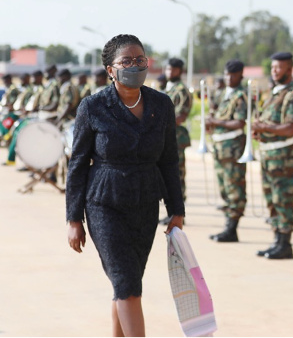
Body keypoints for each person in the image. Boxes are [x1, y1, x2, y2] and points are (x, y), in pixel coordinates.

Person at [66, 34, 185, 336]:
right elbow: (78, 164)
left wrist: (177, 210)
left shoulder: (162, 104)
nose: (135, 65)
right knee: (127, 285)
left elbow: (169, 161)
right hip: (105, 204)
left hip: (145, 204)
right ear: (110, 69)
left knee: (127, 285)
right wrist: (73, 218)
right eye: (126, 61)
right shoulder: (93, 107)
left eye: (140, 59)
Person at [252, 52, 293, 259]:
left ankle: (285, 243)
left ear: (289, 70)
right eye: (273, 67)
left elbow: (290, 128)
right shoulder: (274, 94)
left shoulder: (292, 96)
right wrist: (260, 132)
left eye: (278, 68)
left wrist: (264, 127)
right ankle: (277, 240)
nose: (274, 71)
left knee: (283, 199)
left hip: (283, 156)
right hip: (269, 155)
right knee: (272, 199)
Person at [206, 60, 247, 243]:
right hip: (220, 148)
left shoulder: (241, 96)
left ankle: (232, 228)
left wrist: (216, 122)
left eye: (233, 75)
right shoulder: (222, 93)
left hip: (233, 148)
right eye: (227, 74)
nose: (229, 78)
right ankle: (228, 226)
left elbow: (239, 122)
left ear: (240, 76)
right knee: (224, 187)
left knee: (234, 188)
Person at [160, 58, 192, 225]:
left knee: (177, 176)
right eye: (167, 69)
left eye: (172, 70)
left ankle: (178, 212)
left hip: (176, 138)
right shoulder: (168, 89)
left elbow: (180, 116)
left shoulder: (181, 91)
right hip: (164, 137)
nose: (169, 72)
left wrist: (159, 121)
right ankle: (170, 212)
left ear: (180, 71)